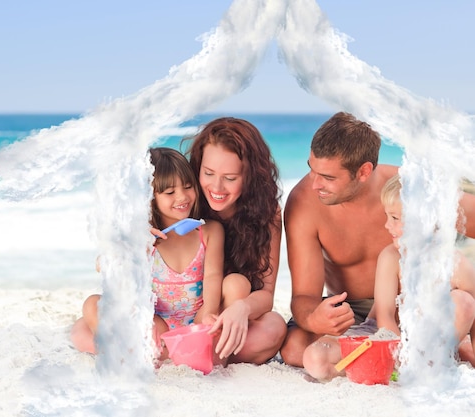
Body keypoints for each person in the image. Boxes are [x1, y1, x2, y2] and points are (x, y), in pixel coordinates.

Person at [281, 112, 475, 375]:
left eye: (328, 177)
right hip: (356, 312)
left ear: (363, 171)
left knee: (461, 303)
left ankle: (420, 352)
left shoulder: (406, 191)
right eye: (311, 169)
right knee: (295, 349)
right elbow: (304, 297)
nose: (315, 184)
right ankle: (430, 353)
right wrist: (315, 318)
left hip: (416, 304)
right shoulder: (304, 202)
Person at [70, 147, 225, 362]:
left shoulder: (209, 231)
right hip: (154, 323)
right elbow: (103, 265)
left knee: (82, 333)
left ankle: (149, 352)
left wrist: (208, 313)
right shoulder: (139, 237)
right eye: (170, 192)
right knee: (91, 306)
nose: (182, 196)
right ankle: (147, 351)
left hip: (194, 322)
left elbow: (213, 276)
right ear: (148, 198)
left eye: (188, 187)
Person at [180, 117, 287, 364]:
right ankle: (201, 351)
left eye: (230, 178)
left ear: (250, 177)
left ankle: (200, 353)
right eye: (208, 173)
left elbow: (267, 293)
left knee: (274, 327)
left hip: (226, 314)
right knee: (81, 331)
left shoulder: (267, 213)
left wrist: (242, 309)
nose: (216, 187)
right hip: (183, 310)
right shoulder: (183, 200)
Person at [373, 175, 475, 366]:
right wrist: (400, 357)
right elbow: (385, 316)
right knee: (318, 359)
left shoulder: (457, 265)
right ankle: (421, 363)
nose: (387, 225)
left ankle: (434, 362)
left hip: (437, 343)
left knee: (464, 302)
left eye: (395, 218)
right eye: (387, 216)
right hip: (394, 338)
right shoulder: (391, 258)